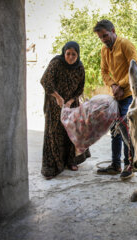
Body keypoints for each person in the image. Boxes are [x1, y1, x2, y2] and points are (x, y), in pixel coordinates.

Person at [93, 19, 137, 179]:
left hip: (130, 94)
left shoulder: (126, 45)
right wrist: (114, 86)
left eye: (105, 36)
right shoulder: (104, 50)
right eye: (101, 37)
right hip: (117, 93)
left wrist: (120, 86)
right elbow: (104, 72)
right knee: (115, 129)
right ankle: (115, 165)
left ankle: (130, 165)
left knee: (126, 128)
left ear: (113, 31)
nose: (103, 39)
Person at [40, 41, 90, 179]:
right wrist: (57, 97)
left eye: (74, 54)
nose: (70, 57)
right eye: (68, 53)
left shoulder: (79, 67)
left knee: (71, 133)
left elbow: (80, 88)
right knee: (54, 133)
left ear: (78, 55)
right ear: (64, 52)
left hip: (71, 105)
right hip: (54, 104)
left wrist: (70, 101)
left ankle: (71, 161)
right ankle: (53, 165)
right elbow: (45, 81)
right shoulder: (56, 63)